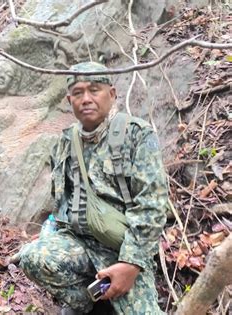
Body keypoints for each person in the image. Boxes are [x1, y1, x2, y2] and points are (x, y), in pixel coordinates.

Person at [19, 61, 168, 314]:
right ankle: (93, 303)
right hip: (80, 244)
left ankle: (114, 295)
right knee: (33, 257)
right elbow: (63, 199)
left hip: (123, 248)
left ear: (111, 94)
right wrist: (52, 232)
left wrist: (131, 264)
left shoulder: (137, 135)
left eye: (94, 90)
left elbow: (152, 206)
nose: (86, 99)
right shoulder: (66, 141)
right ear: (69, 100)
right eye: (78, 93)